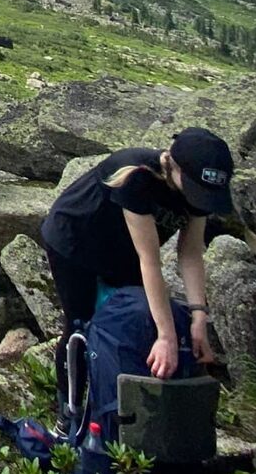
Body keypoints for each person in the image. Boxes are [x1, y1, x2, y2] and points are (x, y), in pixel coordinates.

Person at [39, 128, 234, 421]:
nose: (200, 201)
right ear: (174, 166)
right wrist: (167, 337)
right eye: (196, 190)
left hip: (123, 251)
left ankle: (125, 407)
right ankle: (70, 412)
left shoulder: (198, 191)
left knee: (140, 321)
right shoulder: (136, 175)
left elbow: (191, 253)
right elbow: (150, 261)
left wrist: (198, 317)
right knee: (80, 324)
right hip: (74, 241)